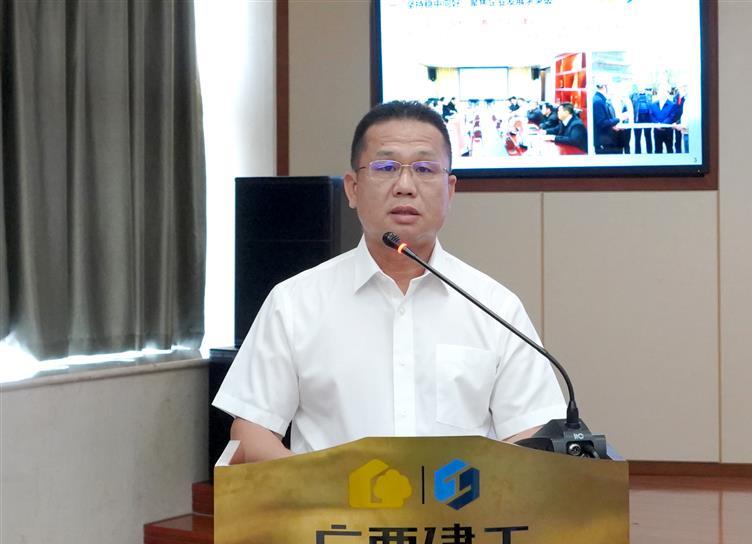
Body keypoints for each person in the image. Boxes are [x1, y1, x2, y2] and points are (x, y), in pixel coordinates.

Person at [212, 100, 567, 462]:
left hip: (461, 498)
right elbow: (251, 431)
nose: (405, 186)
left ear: (450, 190)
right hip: (329, 500)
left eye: (425, 169)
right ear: (353, 188)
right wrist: (316, 487)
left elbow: (531, 430)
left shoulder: (495, 307)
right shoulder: (294, 302)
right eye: (386, 167)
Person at [592, 83, 623, 154]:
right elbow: (602, 123)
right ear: (604, 87)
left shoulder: (600, 100)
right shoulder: (598, 101)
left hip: (605, 139)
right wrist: (619, 119)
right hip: (604, 140)